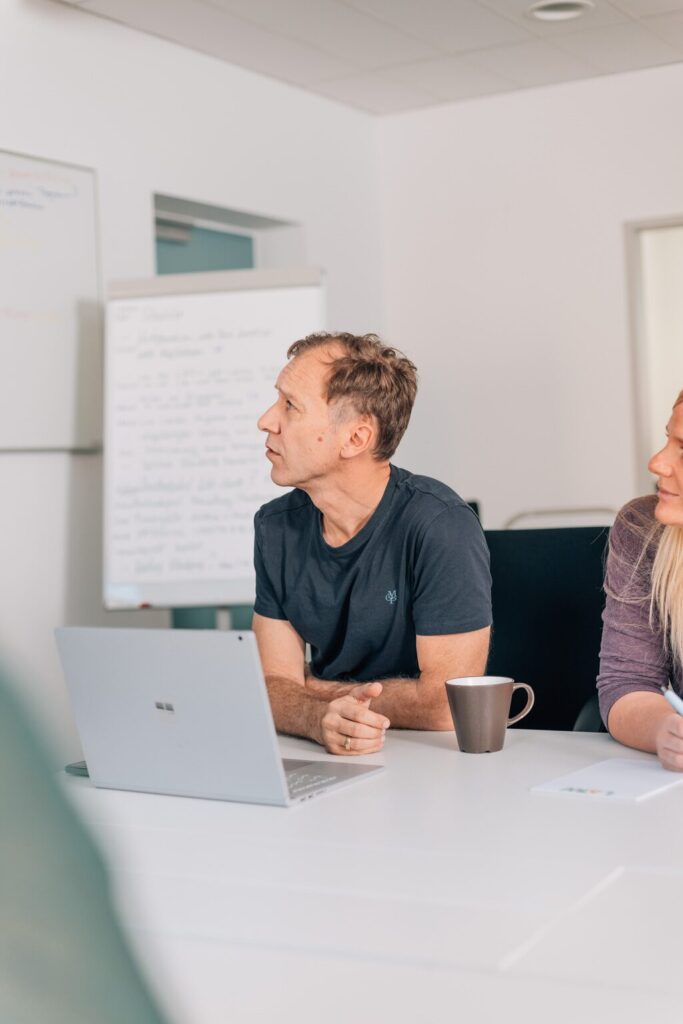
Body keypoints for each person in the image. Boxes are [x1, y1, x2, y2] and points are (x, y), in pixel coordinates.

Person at [252, 332, 492, 756]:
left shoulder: (440, 525)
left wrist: (313, 690)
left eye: (290, 406)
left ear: (355, 440)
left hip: (431, 760)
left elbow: (444, 706)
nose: (267, 420)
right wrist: (314, 716)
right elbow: (271, 687)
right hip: (323, 750)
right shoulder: (275, 527)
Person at [598, 388, 683, 770]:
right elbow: (624, 684)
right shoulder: (642, 529)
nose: (658, 463)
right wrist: (666, 729)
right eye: (668, 439)